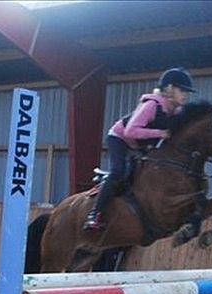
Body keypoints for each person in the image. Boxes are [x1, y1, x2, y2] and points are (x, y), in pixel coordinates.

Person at [83, 67, 196, 230]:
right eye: (182, 90)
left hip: (140, 144)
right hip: (120, 138)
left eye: (187, 91)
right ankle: (94, 214)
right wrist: (160, 133)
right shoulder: (151, 105)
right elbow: (130, 131)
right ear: (169, 89)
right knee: (118, 171)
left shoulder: (176, 111)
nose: (186, 95)